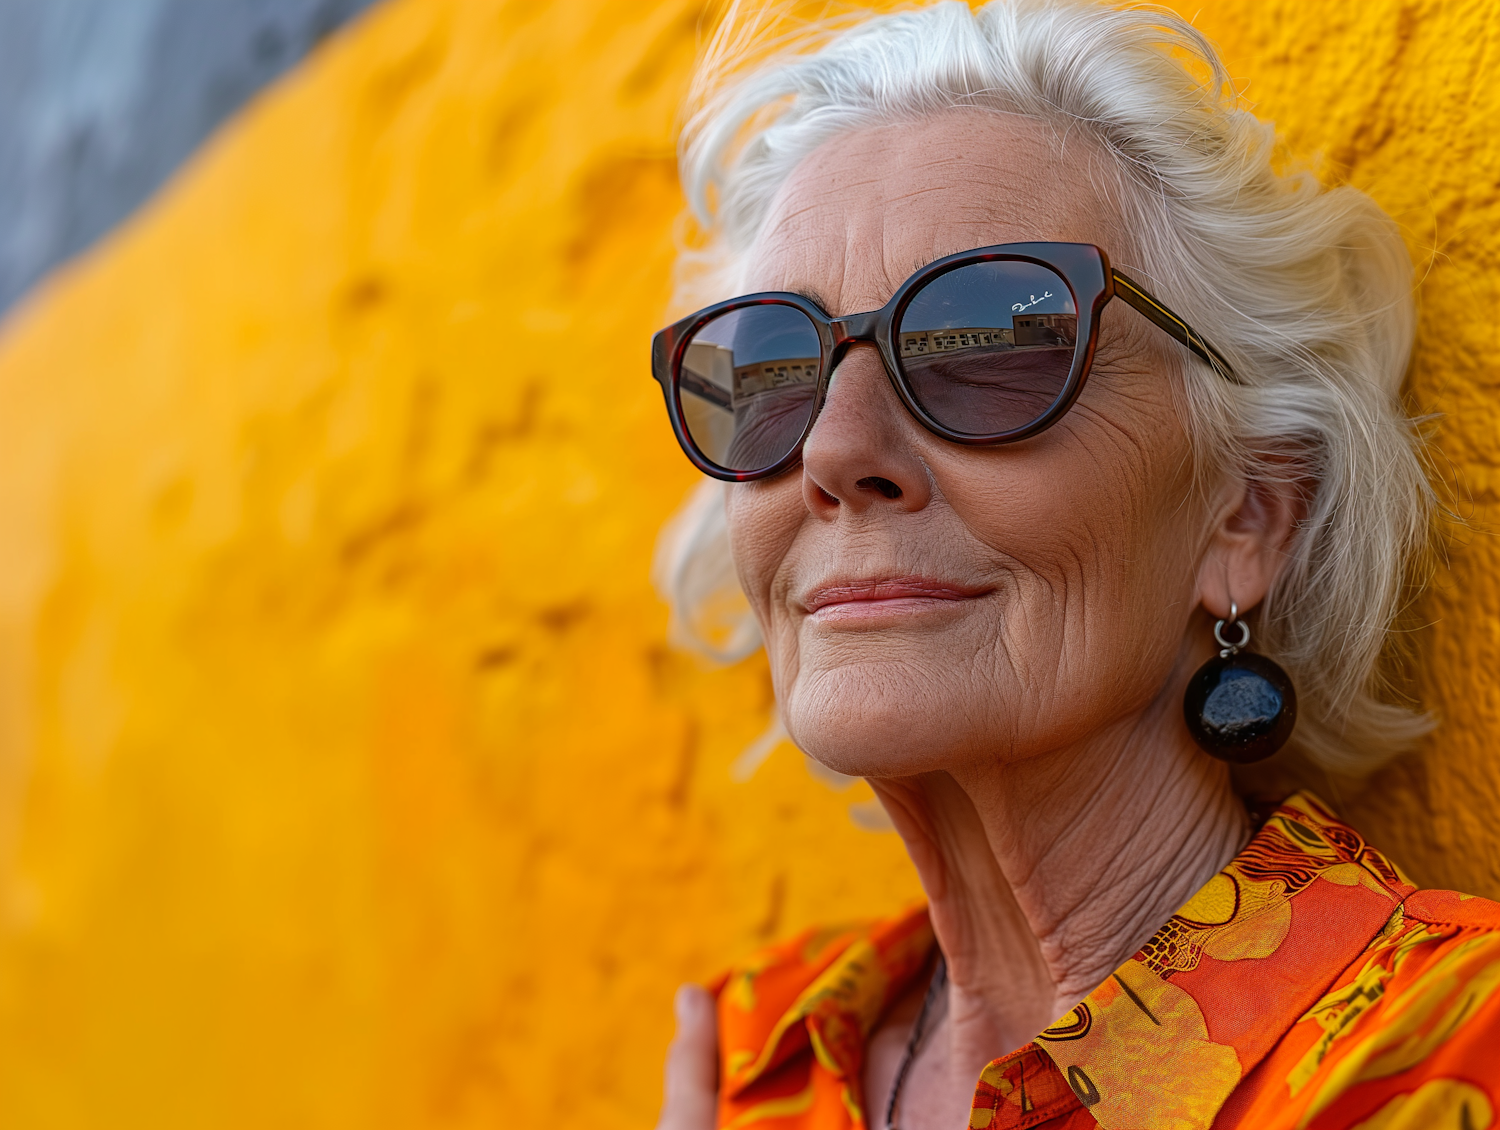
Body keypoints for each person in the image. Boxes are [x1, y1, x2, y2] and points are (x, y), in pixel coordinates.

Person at [646, 2, 1500, 1128]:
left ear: (1245, 515)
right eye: (770, 370)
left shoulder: (1451, 1054)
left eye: (992, 340)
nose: (837, 451)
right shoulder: (763, 1062)